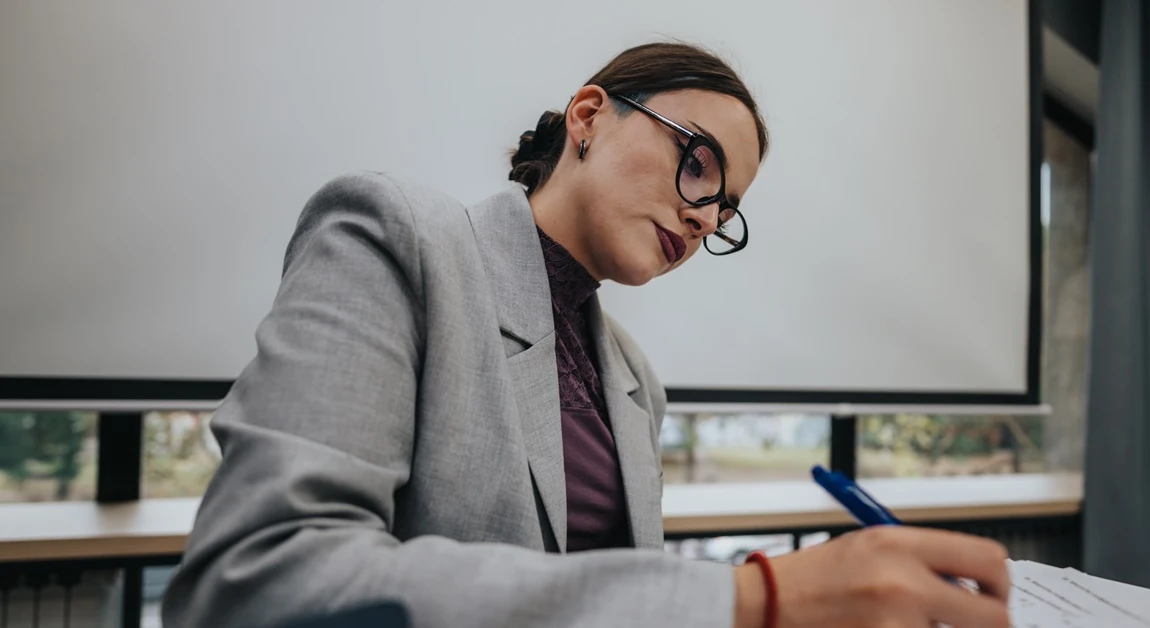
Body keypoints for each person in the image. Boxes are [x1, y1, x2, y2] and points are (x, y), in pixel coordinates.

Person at [162, 42, 1012, 628]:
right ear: (589, 116)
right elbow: (259, 584)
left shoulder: (636, 379)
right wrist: (748, 604)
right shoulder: (398, 239)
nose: (704, 212)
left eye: (726, 207)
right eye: (699, 160)